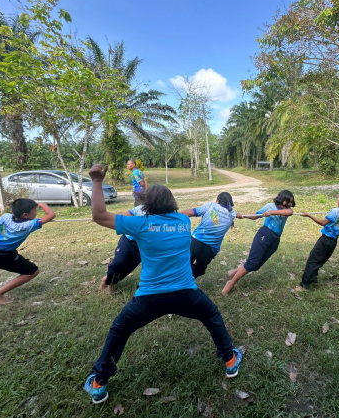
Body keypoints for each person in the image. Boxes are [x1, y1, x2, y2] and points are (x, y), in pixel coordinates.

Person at [83, 164, 242, 405]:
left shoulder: (141, 224)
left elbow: (98, 216)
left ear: (147, 204)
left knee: (119, 330)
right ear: (172, 202)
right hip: (186, 293)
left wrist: (96, 181)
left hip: (149, 298)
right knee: (211, 316)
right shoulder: (183, 222)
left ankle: (98, 383)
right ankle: (230, 361)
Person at [222, 190, 296, 296]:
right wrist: (244, 216)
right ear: (281, 199)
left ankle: (233, 273)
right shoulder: (270, 206)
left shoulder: (286, 210)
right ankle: (231, 283)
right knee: (252, 263)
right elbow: (256, 215)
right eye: (288, 201)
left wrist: (271, 213)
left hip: (275, 239)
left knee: (256, 265)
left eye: (291, 202)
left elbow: (290, 212)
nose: (290, 204)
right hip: (264, 235)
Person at [294, 190, 339, 292]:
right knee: (319, 260)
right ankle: (313, 279)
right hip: (333, 242)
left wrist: (309, 215)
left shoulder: (335, 211)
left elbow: (323, 222)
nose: (338, 200)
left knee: (313, 260)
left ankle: (305, 285)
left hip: (325, 240)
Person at [179, 192, 237, 278]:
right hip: (211, 249)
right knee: (199, 270)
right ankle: (188, 279)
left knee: (184, 266)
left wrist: (176, 215)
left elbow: (191, 212)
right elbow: (232, 214)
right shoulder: (232, 214)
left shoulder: (211, 206)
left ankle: (181, 280)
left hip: (195, 242)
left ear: (217, 201)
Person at [98, 200, 147, 294]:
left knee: (128, 267)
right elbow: (123, 216)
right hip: (128, 240)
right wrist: (100, 218)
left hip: (141, 244)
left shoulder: (161, 214)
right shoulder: (139, 209)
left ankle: (107, 279)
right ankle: (110, 285)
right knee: (118, 263)